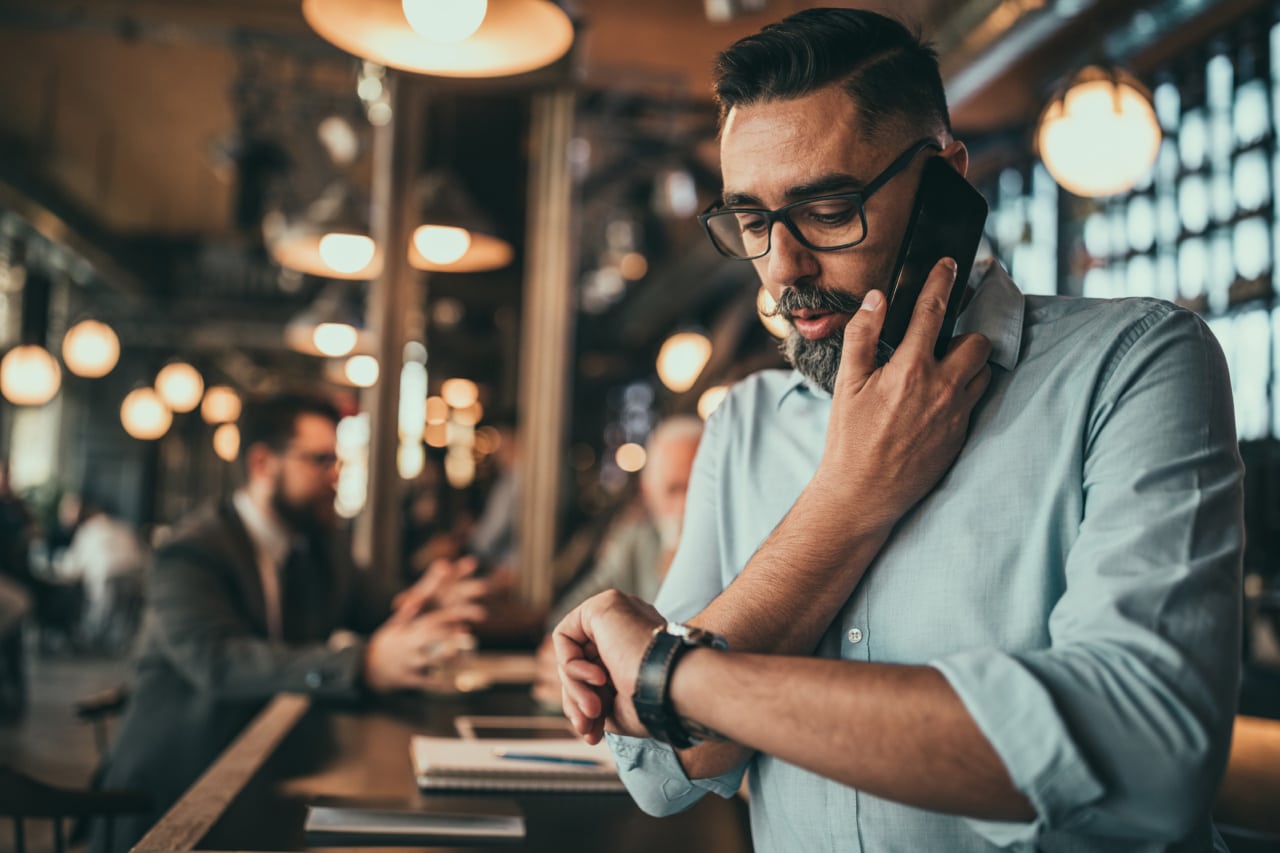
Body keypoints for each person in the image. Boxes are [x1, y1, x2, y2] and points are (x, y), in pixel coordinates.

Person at [554, 9, 1244, 852]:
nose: (781, 267)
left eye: (829, 208)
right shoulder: (740, 427)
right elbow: (656, 771)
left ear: (947, 180)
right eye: (752, 219)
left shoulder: (1134, 364)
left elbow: (1146, 763)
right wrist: (846, 500)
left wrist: (681, 673)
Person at [92, 393, 488, 853]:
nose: (336, 475)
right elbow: (220, 662)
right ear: (263, 463)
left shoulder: (318, 544)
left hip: (273, 773)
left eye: (338, 461)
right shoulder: (191, 551)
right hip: (177, 789)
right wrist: (361, 666)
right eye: (320, 460)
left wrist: (424, 600)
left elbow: (377, 605)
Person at [533, 416, 703, 705]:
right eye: (675, 490)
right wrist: (573, 657)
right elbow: (567, 618)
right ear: (649, 495)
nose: (687, 505)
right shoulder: (636, 542)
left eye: (698, 490)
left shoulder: (741, 556)